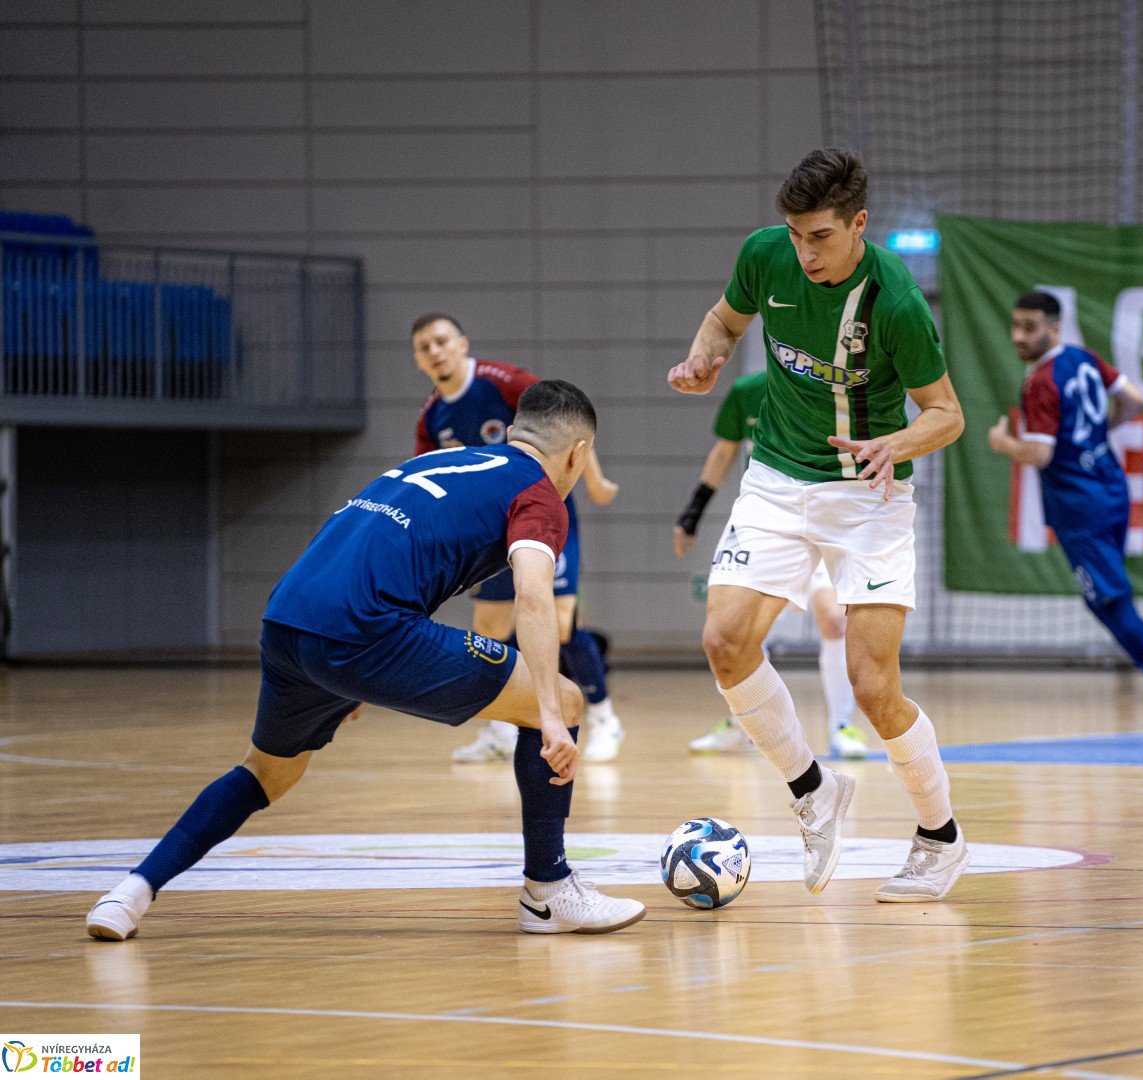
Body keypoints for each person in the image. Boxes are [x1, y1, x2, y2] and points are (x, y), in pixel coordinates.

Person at [86, 381, 645, 940]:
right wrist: (548, 712)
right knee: (567, 698)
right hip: (366, 630)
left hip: (288, 619)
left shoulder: (446, 460)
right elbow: (532, 595)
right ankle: (548, 893)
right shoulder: (540, 493)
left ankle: (128, 894)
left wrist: (342, 678)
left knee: (265, 774)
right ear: (577, 452)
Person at [668, 147, 969, 903]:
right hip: (776, 476)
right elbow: (721, 321)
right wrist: (703, 358)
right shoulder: (765, 257)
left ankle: (941, 836)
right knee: (724, 640)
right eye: (796, 234)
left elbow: (947, 415)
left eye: (821, 237)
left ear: (859, 224)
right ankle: (814, 790)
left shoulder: (895, 302)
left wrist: (893, 444)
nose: (804, 252)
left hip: (867, 494)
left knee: (873, 687)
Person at [987, 291, 1143, 746]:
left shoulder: (1039, 383)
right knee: (1107, 596)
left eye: (1030, 327)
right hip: (1111, 487)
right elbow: (1133, 398)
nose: (1019, 336)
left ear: (1054, 328)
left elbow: (1040, 452)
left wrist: (1002, 443)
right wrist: (1094, 432)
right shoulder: (1082, 357)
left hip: (1078, 505)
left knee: (1109, 600)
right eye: (1015, 326)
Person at [409, 313, 625, 764]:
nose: (435, 351)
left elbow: (568, 424)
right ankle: (499, 730)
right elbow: (438, 483)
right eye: (424, 346)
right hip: (491, 527)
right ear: (418, 360)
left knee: (560, 621)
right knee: (488, 628)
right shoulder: (432, 416)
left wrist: (594, 481)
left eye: (441, 341)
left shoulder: (505, 382)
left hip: (543, 510)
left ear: (463, 344)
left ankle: (604, 717)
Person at [676, 369, 871, 759]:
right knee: (736, 628)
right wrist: (692, 513)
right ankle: (740, 722)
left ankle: (841, 726)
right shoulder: (748, 391)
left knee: (833, 619)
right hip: (771, 522)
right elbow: (724, 451)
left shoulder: (834, 386)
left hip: (824, 518)